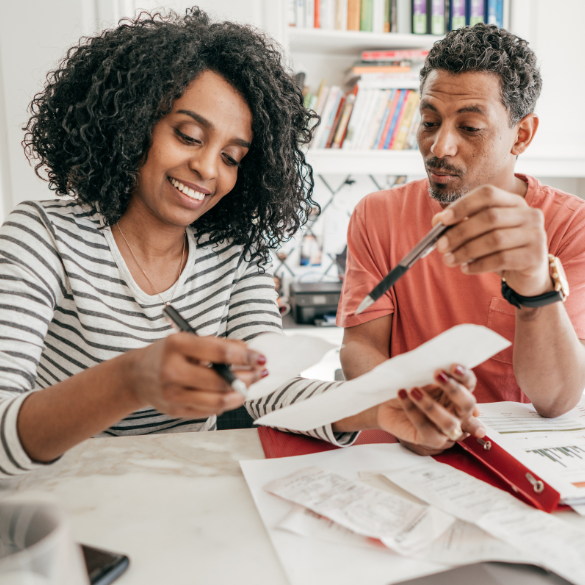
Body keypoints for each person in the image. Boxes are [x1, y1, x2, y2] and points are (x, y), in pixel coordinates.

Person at [0, 8, 483, 478]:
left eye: (232, 157)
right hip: (61, 505)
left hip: (188, 500)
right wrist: (129, 380)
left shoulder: (234, 254)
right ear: (131, 123)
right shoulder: (43, 238)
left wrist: (381, 406)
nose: (209, 170)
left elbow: (270, 393)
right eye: (188, 136)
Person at [336, 23, 585, 455]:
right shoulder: (377, 215)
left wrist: (533, 281)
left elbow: (556, 399)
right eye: (429, 121)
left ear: (521, 135)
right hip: (405, 444)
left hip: (514, 453)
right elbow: (361, 345)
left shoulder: (570, 226)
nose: (439, 147)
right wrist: (409, 406)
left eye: (469, 127)